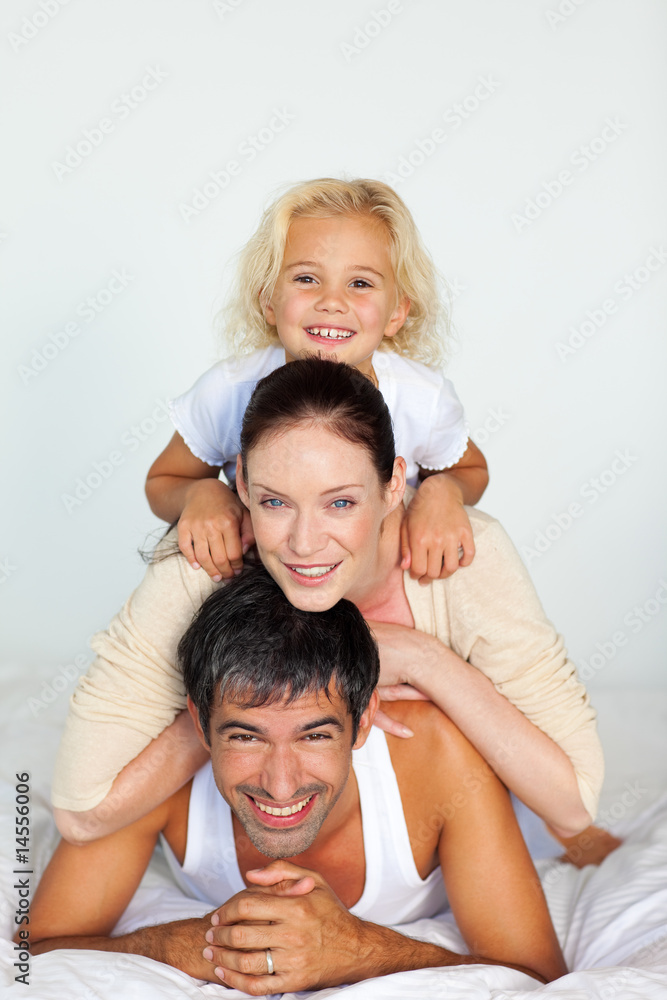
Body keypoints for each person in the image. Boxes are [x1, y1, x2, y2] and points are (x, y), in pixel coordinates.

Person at [52, 359, 605, 855]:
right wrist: (239, 708)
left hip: (450, 849)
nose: (304, 542)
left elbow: (573, 804)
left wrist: (419, 658)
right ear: (240, 482)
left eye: (341, 502)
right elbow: (80, 813)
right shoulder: (203, 560)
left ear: (393, 486)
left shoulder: (462, 557)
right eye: (275, 502)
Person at [27, 569, 567, 992]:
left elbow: (537, 976)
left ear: (362, 720)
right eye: (245, 738)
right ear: (198, 723)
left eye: (314, 737)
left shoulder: (441, 759)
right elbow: (40, 949)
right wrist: (182, 945)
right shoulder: (157, 778)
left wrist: (357, 949)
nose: (281, 786)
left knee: (572, 837)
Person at [145, 177, 489, 585]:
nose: (332, 301)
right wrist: (200, 494)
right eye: (306, 278)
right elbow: (162, 480)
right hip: (274, 583)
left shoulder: (423, 398)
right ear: (268, 299)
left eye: (360, 283)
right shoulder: (228, 389)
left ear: (397, 312)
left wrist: (442, 492)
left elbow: (473, 469)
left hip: (381, 578)